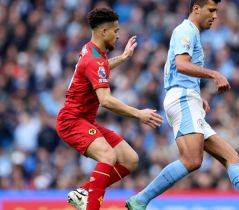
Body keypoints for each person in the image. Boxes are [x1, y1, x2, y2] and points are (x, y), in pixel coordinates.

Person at [125, 1, 239, 209]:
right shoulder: (186, 31)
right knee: (192, 160)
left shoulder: (191, 32)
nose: (215, 15)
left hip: (187, 98)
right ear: (196, 9)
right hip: (182, 98)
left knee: (231, 157)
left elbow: (176, 68)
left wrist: (197, 97)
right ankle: (140, 199)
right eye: (211, 10)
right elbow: (180, 65)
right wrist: (213, 74)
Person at [56, 7, 163, 210]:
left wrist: (123, 58)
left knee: (130, 160)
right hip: (72, 121)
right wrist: (139, 113)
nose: (118, 35)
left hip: (84, 120)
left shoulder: (90, 49)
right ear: (103, 32)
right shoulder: (93, 60)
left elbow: (99, 67)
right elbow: (105, 100)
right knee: (108, 156)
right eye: (115, 31)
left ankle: (85, 192)